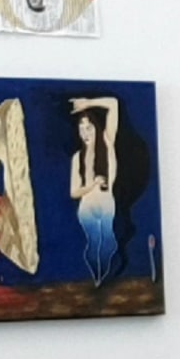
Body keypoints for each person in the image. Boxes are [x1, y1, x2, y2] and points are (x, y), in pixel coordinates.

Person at [69, 96, 119, 284]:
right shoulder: (77, 158)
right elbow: (74, 192)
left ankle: (104, 276)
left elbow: (113, 104)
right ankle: (97, 279)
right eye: (81, 129)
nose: (85, 133)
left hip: (106, 203)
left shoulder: (107, 142)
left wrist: (88, 103)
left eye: (88, 128)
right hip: (86, 208)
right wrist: (92, 184)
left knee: (108, 242)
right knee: (93, 243)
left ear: (96, 128)